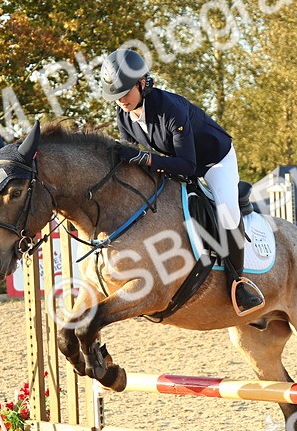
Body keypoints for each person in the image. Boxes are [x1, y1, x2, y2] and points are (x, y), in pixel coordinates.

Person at [99, 48, 264, 315]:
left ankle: (239, 283)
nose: (121, 101)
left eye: (125, 93)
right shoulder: (124, 115)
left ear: (142, 83)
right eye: (115, 97)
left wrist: (145, 159)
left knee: (226, 211)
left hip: (213, 161)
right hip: (176, 162)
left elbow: (188, 166)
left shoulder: (170, 110)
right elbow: (130, 158)